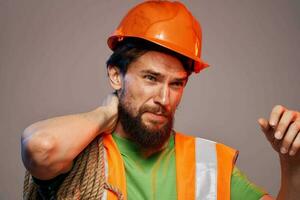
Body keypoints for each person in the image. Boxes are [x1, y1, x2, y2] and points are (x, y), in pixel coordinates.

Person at [21, 1, 300, 200]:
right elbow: (41, 148)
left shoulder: (208, 163)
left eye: (176, 83)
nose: (164, 99)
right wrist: (105, 113)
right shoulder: (78, 153)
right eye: (151, 79)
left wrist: (293, 164)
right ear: (116, 76)